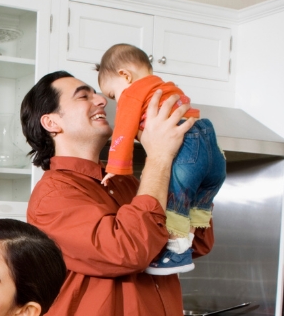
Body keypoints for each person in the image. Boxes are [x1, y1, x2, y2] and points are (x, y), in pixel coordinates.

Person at [20, 70, 214, 316]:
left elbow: (195, 243)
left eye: (97, 92)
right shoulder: (53, 196)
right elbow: (128, 249)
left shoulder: (124, 184)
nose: (101, 100)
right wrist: (158, 158)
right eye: (83, 96)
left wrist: (196, 175)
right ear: (51, 122)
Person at [97, 44, 226, 275]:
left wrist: (116, 167)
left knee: (174, 197)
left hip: (186, 147)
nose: (116, 101)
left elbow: (123, 132)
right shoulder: (167, 87)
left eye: (113, 95)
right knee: (197, 202)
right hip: (209, 142)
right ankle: (185, 243)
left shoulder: (133, 93)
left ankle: (176, 253)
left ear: (125, 75)